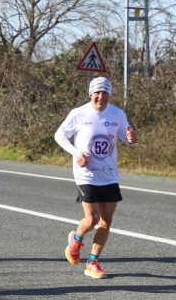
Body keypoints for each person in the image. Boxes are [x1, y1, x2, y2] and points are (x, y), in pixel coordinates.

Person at [54, 76, 135, 279]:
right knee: (92, 219)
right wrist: (76, 153)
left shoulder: (117, 114)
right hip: (86, 174)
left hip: (109, 175)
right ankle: (77, 238)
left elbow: (126, 137)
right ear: (90, 94)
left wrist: (131, 138)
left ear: (109, 94)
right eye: (97, 93)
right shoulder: (79, 113)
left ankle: (92, 262)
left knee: (106, 221)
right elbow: (60, 135)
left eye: (105, 92)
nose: (101, 97)